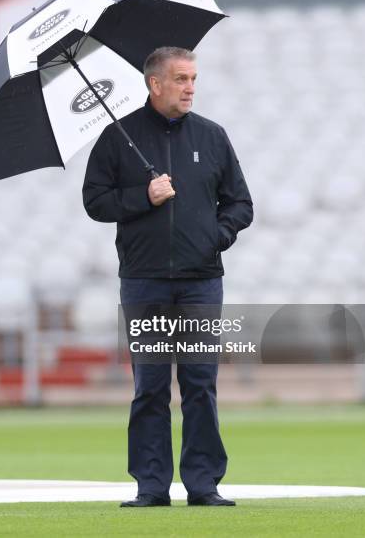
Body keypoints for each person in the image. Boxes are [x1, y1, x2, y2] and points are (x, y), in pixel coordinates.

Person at [82, 46, 253, 507]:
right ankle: (151, 487)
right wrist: (144, 195)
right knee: (151, 388)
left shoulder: (213, 136)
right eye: (180, 79)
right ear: (154, 83)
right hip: (144, 281)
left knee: (200, 385)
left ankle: (203, 485)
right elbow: (95, 202)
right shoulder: (117, 138)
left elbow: (241, 204)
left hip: (201, 280)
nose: (190, 87)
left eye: (193, 78)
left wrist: (215, 237)